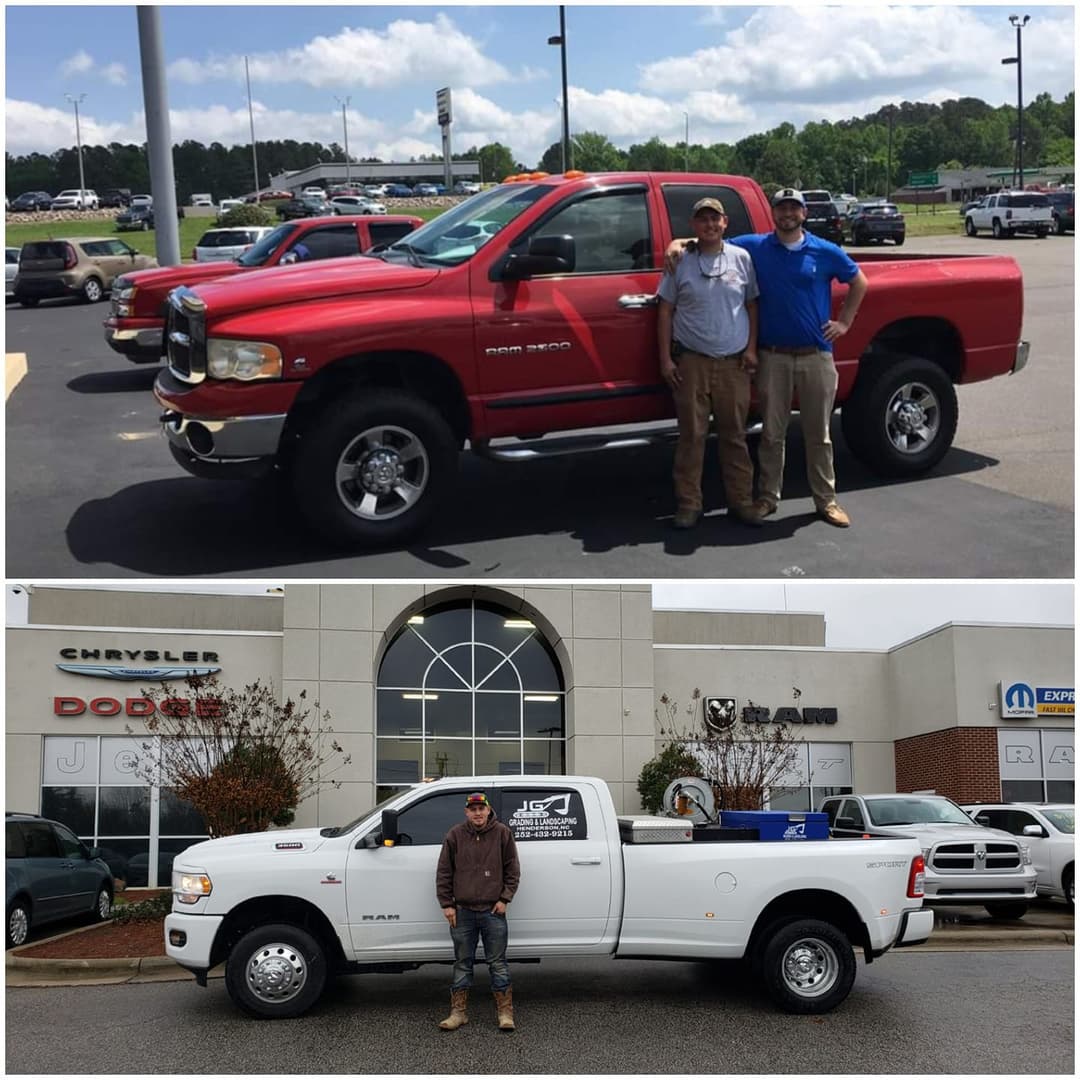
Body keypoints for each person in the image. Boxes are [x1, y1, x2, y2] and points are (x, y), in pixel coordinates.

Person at [667, 188, 868, 528]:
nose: (787, 213)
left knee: (818, 434)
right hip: (772, 357)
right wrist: (678, 242)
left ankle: (826, 500)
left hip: (816, 355)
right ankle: (767, 498)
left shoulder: (824, 250)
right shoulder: (755, 247)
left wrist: (845, 322)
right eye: (781, 208)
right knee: (772, 435)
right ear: (772, 213)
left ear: (803, 214)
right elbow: (713, 236)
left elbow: (859, 280)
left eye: (794, 208)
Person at [656, 197, 764, 530]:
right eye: (702, 219)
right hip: (691, 363)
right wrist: (665, 360)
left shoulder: (742, 258)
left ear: (725, 223)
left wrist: (751, 350)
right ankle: (689, 504)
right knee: (692, 436)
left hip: (734, 364)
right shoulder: (680, 261)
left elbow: (751, 306)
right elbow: (665, 310)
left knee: (735, 436)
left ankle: (742, 502)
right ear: (693, 226)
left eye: (715, 219)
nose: (710, 225)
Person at [435, 792, 521, 1032]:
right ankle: (458, 1013)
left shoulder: (502, 833)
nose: (477, 813)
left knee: (498, 963)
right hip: (462, 912)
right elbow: (444, 872)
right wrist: (447, 904)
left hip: (493, 911)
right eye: (472, 809)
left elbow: (512, 870)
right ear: (466, 812)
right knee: (463, 963)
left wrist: (505, 899)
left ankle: (505, 1013)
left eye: (481, 808)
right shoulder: (455, 835)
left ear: (488, 809)